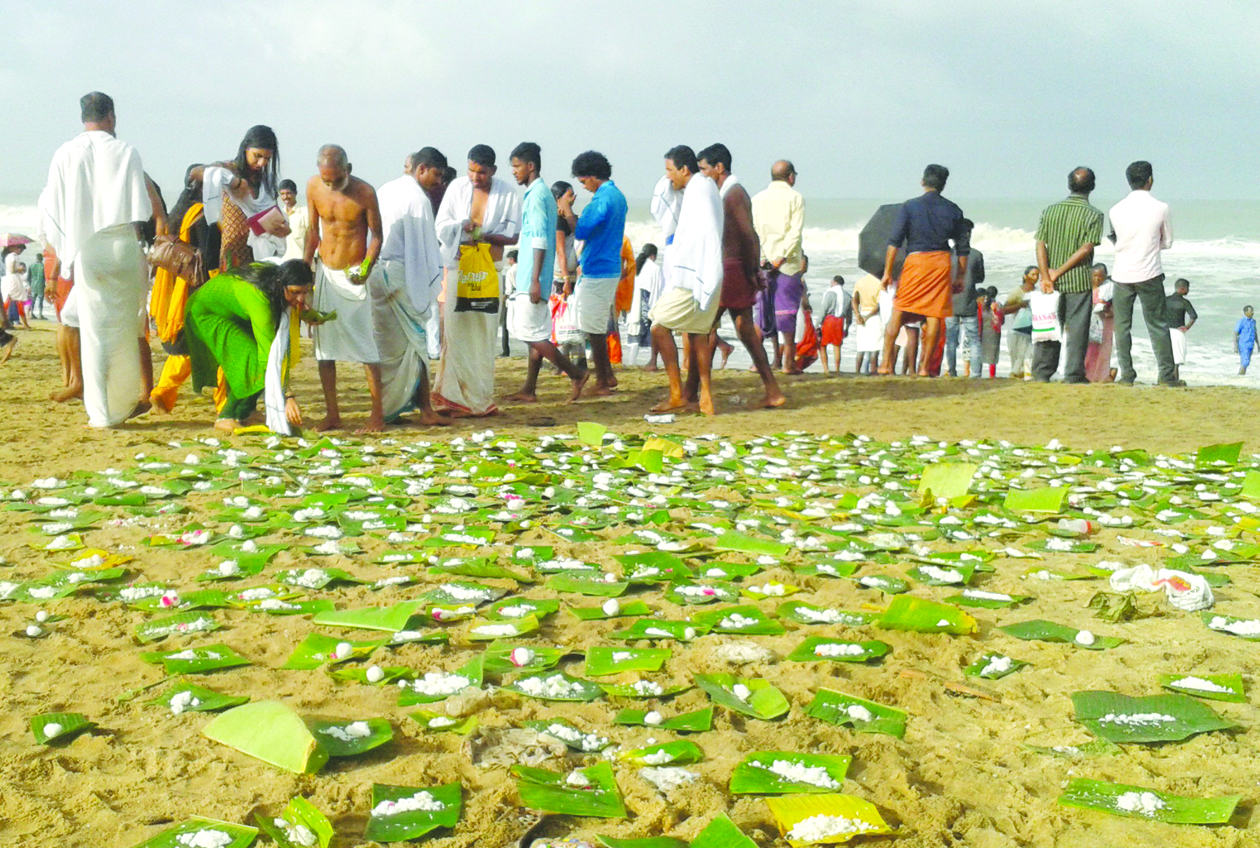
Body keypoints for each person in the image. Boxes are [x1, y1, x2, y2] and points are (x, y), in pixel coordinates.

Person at [41, 91, 155, 427]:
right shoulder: (126, 151)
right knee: (125, 331)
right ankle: (120, 406)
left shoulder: (64, 153)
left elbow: (53, 212)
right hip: (123, 243)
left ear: (83, 117)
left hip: (90, 247)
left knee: (94, 333)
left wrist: (62, 256)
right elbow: (143, 209)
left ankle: (102, 413)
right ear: (111, 117)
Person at [433, 144, 521, 416]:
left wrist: (486, 236)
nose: (475, 177)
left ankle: (479, 399)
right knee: (455, 331)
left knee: (483, 332)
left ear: (492, 170)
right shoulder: (457, 188)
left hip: (488, 270)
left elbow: (515, 235)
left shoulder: (507, 194)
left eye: (481, 172)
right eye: (471, 170)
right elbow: (440, 226)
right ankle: (451, 397)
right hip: (459, 267)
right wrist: (462, 225)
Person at [304, 144, 386, 432]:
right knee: (324, 350)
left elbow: (377, 236)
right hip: (327, 272)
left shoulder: (365, 193)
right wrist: (305, 271)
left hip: (354, 275)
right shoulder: (314, 187)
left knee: (366, 347)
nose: (331, 185)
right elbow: (313, 231)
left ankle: (377, 415)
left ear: (348, 170)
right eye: (327, 180)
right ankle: (332, 415)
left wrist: (366, 267)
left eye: (337, 180)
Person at [696, 143, 784, 407]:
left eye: (704, 169)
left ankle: (702, 394)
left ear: (719, 168)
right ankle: (772, 390)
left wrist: (753, 269)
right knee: (744, 330)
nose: (702, 175)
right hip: (732, 267)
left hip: (730, 268)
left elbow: (749, 234)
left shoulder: (733, 193)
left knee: (705, 329)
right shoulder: (727, 191)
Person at [503, 142, 588, 404]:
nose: (514, 172)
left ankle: (575, 373)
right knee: (535, 335)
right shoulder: (537, 194)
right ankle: (529, 389)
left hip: (533, 276)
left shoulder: (538, 195)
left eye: (517, 166)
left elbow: (540, 239)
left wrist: (534, 280)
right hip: (535, 274)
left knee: (528, 333)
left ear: (530, 166)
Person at [185, 260, 311, 432]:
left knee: (258, 362)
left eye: (306, 292)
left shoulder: (275, 280)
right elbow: (268, 356)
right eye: (296, 292)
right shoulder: (259, 300)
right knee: (253, 361)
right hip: (208, 312)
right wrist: (288, 396)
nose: (301, 299)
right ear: (281, 285)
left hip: (236, 313)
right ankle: (226, 416)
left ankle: (246, 412)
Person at [374, 146, 449, 426]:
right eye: (436, 175)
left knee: (386, 344)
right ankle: (425, 409)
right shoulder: (418, 199)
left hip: (378, 271)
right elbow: (426, 251)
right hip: (401, 274)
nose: (439, 182)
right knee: (417, 342)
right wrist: (427, 282)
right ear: (421, 169)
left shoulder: (385, 189)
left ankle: (390, 406)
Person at [648, 145, 723, 415]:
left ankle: (677, 394)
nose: (669, 178)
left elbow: (700, 233)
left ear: (684, 169)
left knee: (658, 326)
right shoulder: (706, 187)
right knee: (698, 334)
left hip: (693, 274)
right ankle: (706, 398)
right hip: (709, 271)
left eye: (671, 171)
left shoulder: (698, 190)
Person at [880, 165, 969, 376]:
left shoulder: (910, 206)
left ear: (923, 182)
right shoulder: (954, 209)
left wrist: (887, 272)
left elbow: (894, 242)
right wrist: (960, 277)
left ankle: (885, 363)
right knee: (934, 314)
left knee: (899, 308)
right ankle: (924, 368)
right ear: (943, 185)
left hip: (916, 261)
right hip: (940, 262)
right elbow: (962, 248)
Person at [558, 150, 626, 397]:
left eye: (584, 181)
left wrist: (567, 211)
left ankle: (603, 379)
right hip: (605, 267)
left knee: (592, 325)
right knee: (593, 323)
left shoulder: (603, 200)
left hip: (598, 268)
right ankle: (606, 375)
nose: (584, 187)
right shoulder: (616, 196)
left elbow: (583, 230)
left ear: (593, 176)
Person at [1108, 160, 1180, 386]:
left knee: (1122, 327)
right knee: (1157, 326)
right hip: (1150, 272)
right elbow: (1167, 242)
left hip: (1122, 274)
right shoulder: (1161, 208)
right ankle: (1166, 376)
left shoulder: (1115, 210)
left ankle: (1127, 375)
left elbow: (1115, 239)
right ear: (1150, 180)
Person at [149, 164, 214, 414]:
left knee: (183, 346)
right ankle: (223, 403)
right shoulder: (202, 214)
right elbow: (208, 254)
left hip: (175, 284)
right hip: (196, 284)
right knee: (208, 344)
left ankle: (163, 392)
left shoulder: (177, 212)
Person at [1032, 167, 1104, 383]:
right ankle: (1073, 374)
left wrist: (1046, 276)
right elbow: (1086, 249)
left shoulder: (1050, 211)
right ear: (1092, 186)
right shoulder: (1094, 214)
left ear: (1069, 184)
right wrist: (1059, 272)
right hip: (1078, 280)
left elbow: (1040, 244)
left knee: (1048, 326)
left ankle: (1042, 372)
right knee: (1076, 331)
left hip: (1050, 282)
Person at [195, 126, 289, 271]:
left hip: (261, 255)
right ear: (245, 148)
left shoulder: (266, 181)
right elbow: (196, 173)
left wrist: (283, 229)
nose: (262, 163)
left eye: (267, 158)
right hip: (234, 251)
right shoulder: (229, 170)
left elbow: (273, 214)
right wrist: (235, 182)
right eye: (257, 156)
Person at [751, 160, 805, 374]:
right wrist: (780, 258)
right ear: (790, 176)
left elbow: (753, 232)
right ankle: (788, 363)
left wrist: (763, 257)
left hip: (763, 262)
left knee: (761, 314)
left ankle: (758, 361)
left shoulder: (757, 199)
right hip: (787, 264)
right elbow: (795, 233)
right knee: (787, 314)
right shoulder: (795, 197)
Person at [944, 228, 985, 378]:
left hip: (950, 303)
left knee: (951, 341)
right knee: (974, 340)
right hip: (968, 302)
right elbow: (980, 278)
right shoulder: (976, 255)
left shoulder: (947, 255)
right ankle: (975, 373)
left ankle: (952, 371)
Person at [633, 244, 664, 370]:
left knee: (635, 335)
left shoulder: (638, 267)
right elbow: (659, 288)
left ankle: (632, 362)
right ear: (654, 256)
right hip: (650, 302)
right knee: (655, 332)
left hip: (637, 304)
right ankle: (654, 361)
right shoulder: (656, 268)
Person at [1004, 266, 1038, 379]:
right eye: (1033, 274)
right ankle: (1015, 373)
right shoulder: (1017, 291)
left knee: (1029, 351)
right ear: (1025, 276)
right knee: (1017, 352)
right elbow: (1004, 309)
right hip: (1016, 328)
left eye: (1037, 275)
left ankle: (1027, 373)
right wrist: (1020, 305)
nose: (1035, 277)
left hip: (1031, 327)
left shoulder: (1037, 292)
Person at [1084, 263, 1115, 383]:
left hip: (1104, 323)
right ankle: (1087, 374)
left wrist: (1109, 311)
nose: (1097, 279)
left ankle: (1102, 375)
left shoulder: (1108, 289)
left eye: (1101, 276)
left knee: (1103, 350)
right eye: (1095, 276)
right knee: (1088, 349)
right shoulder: (1085, 288)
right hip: (1088, 322)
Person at [1165, 278, 1196, 382]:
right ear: (1183, 288)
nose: (1188, 290)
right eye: (1188, 288)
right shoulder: (1184, 302)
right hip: (1178, 332)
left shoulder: (1166, 300)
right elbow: (1193, 316)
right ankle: (1175, 379)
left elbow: (1157, 314)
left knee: (1166, 357)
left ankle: (1164, 378)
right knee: (1176, 360)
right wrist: (1186, 327)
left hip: (1165, 331)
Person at [852, 272, 883, 375]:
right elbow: (879, 305)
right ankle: (873, 370)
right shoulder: (879, 282)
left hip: (862, 312)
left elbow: (854, 300)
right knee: (875, 346)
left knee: (861, 346)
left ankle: (857, 370)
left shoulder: (860, 281)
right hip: (873, 316)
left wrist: (857, 314)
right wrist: (868, 316)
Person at [819, 276, 848, 375]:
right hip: (840, 321)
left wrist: (818, 322)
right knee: (837, 346)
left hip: (829, 319)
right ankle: (837, 369)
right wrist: (847, 327)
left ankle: (826, 369)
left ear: (834, 282)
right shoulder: (847, 295)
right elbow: (849, 314)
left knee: (822, 345)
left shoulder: (830, 292)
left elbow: (824, 308)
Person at [278, 178, 310, 262]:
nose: (285, 197)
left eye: (288, 193)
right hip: (283, 262)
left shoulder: (305, 212)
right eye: (282, 194)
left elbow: (312, 237)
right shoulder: (279, 214)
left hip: (301, 262)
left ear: (295, 193)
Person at [978, 285, 1002, 378]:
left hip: (982, 330)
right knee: (992, 354)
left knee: (980, 353)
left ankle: (978, 373)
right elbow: (1002, 320)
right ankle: (992, 375)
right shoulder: (997, 305)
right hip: (994, 332)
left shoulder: (981, 305)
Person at [500, 249, 517, 358]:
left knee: (505, 325)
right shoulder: (525, 268)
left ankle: (505, 350)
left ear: (511, 259)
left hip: (512, 299)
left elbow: (508, 289)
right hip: (522, 297)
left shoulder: (511, 271)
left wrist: (503, 297)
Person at [1236, 306, 1257, 375]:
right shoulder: (1241, 321)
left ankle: (1242, 376)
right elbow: (1235, 333)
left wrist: (1258, 344)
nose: (1252, 313)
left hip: (1251, 344)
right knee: (1245, 362)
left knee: (1247, 362)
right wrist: (1235, 346)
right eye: (1251, 311)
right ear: (1246, 312)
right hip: (1243, 344)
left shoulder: (1253, 321)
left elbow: (1255, 333)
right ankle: (1239, 376)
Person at [28, 249, 46, 319]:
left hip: (33, 284)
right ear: (41, 259)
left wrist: (30, 285)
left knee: (33, 300)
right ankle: (40, 314)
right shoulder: (43, 266)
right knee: (40, 300)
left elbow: (28, 277)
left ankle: (31, 313)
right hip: (41, 284)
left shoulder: (31, 265)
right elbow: (45, 277)